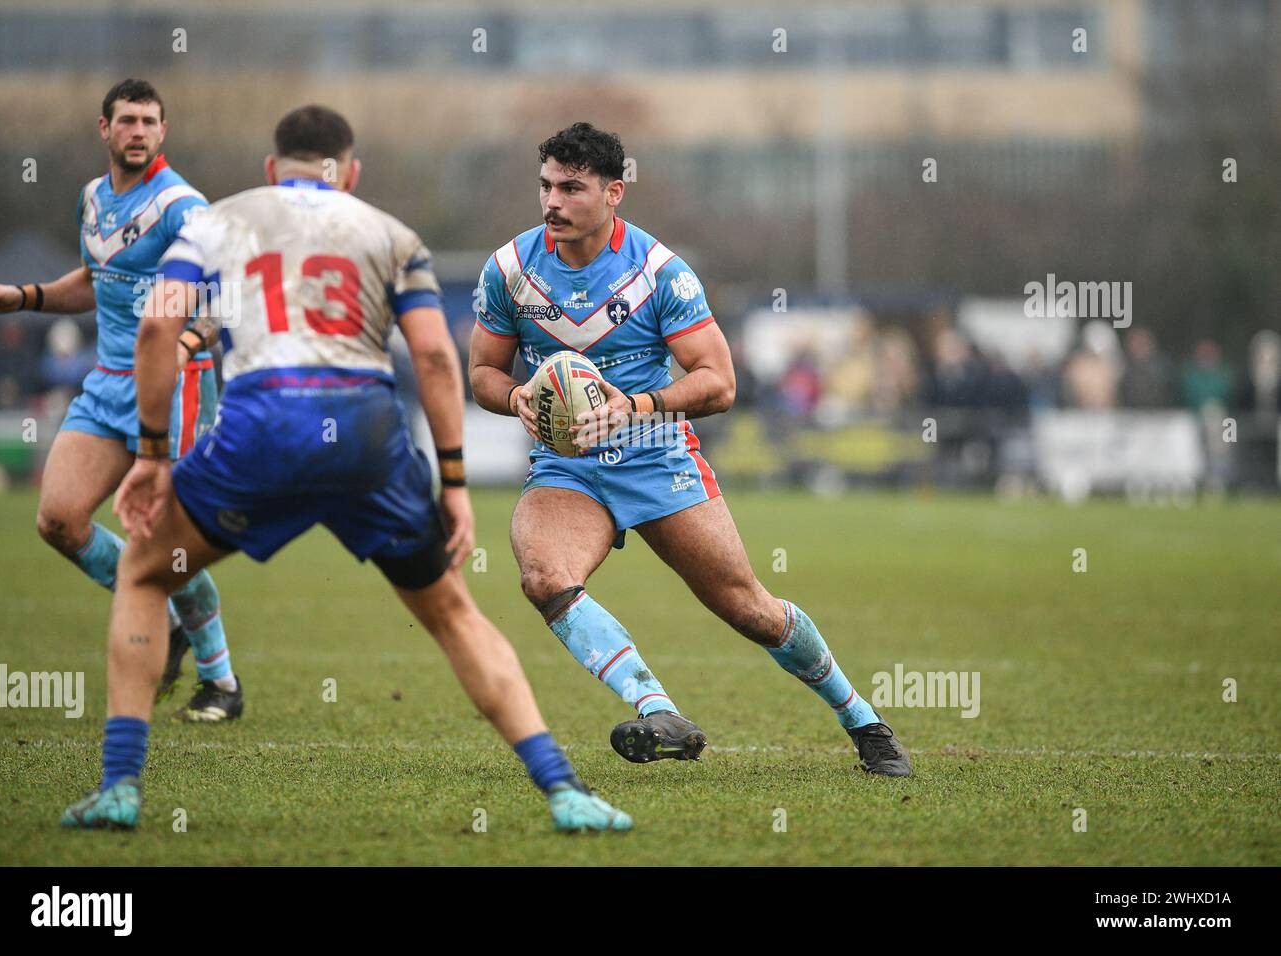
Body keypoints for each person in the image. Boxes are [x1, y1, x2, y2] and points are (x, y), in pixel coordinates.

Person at [60, 105, 632, 833]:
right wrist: (453, 485)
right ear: (350, 174)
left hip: (260, 428)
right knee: (453, 612)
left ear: (273, 170)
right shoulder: (390, 233)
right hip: (362, 433)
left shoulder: (219, 220)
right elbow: (431, 356)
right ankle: (564, 792)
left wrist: (148, 455)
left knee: (144, 573)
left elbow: (155, 327)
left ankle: (119, 788)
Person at [469, 122, 910, 776]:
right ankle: (656, 710)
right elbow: (481, 372)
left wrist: (635, 405)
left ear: (614, 192)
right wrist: (518, 400)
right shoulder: (510, 269)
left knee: (748, 608)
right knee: (545, 579)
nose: (551, 202)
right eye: (545, 187)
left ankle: (864, 722)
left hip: (655, 455)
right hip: (567, 468)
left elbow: (718, 382)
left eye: (571, 188)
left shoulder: (659, 274)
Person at [0, 79, 240, 720]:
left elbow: (228, 295)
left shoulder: (183, 206)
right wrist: (26, 296)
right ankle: (170, 610)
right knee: (58, 519)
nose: (138, 131)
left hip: (176, 387)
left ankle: (221, 682)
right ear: (105, 129)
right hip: (106, 383)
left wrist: (183, 342)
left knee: (167, 543)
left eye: (150, 121)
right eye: (127, 120)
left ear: (163, 131)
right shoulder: (92, 199)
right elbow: (96, 281)